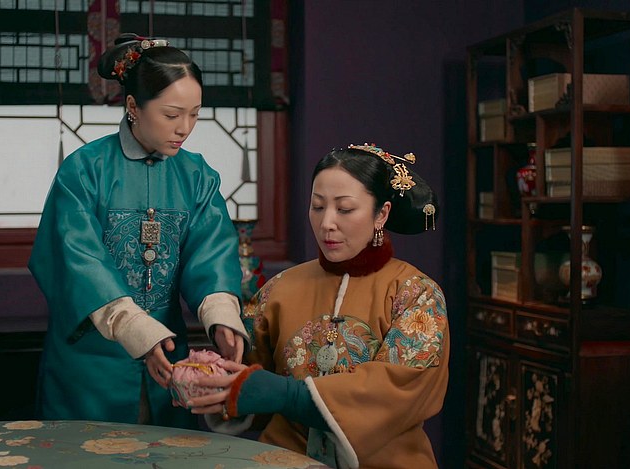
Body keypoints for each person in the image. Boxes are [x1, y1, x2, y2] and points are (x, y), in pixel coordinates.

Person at [29, 33, 249, 429]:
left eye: (194, 114)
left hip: (170, 360)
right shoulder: (85, 170)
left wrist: (221, 318)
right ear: (133, 106)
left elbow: (211, 253)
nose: (185, 128)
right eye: (171, 115)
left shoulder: (197, 176)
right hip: (90, 369)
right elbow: (77, 261)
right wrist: (134, 328)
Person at [189, 144, 450, 468]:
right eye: (317, 206)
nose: (327, 223)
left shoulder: (416, 293)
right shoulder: (278, 289)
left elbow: (399, 389)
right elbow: (250, 383)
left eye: (344, 209)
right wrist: (216, 382)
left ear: (381, 214)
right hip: (283, 460)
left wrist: (291, 395)